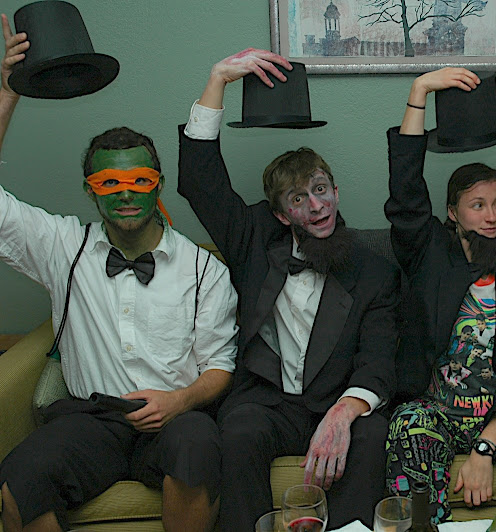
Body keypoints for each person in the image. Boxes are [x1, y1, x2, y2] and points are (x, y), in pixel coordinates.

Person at [0, 16, 238, 532]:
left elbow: (220, 366)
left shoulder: (204, 270)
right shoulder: (62, 246)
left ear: (158, 185)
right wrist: (9, 92)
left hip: (177, 418)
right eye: (109, 182)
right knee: (19, 478)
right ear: (90, 190)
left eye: (139, 180)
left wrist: (178, 401)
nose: (125, 193)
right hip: (92, 421)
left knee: (197, 449)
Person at [178, 48, 400, 531]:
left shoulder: (374, 271)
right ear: (280, 214)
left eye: (321, 190)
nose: (316, 206)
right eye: (299, 198)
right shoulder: (253, 241)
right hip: (269, 403)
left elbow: (379, 358)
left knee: (373, 433)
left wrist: (344, 412)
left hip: (336, 397)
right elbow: (200, 183)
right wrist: (217, 79)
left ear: (336, 191)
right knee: (238, 429)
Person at [384, 67, 496, 524]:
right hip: (437, 411)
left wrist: (486, 446)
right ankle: (425, 527)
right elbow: (405, 191)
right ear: (452, 212)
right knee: (408, 422)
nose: (491, 216)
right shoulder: (429, 255)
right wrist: (420, 91)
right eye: (478, 205)